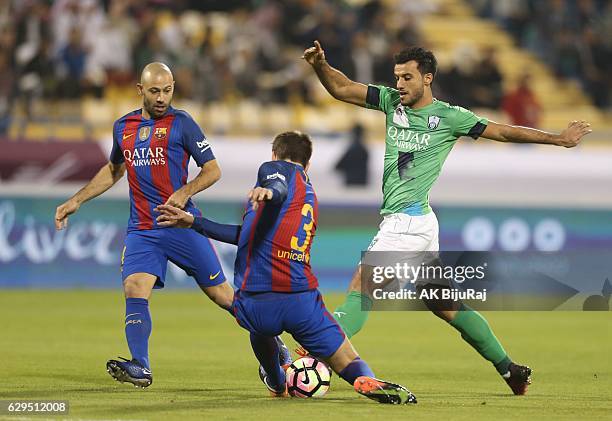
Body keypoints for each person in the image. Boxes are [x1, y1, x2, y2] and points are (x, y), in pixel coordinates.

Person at [302, 41, 592, 395]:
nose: (399, 85)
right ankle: (510, 369)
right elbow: (342, 88)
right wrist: (320, 65)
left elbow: (502, 131)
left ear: (427, 79)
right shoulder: (390, 102)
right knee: (445, 304)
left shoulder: (451, 117)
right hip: (421, 221)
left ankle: (310, 357)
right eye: (397, 77)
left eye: (407, 77)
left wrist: (557, 139)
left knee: (362, 290)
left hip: (407, 224)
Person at [156, 131, 417, 404]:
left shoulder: (274, 170)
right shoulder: (310, 195)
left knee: (259, 330)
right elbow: (247, 233)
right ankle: (363, 377)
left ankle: (277, 381)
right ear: (309, 163)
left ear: (274, 154)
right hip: (300, 299)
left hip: (257, 299)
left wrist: (270, 191)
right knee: (346, 358)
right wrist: (193, 221)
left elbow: (277, 186)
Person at [54, 62, 235, 388]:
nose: (162, 97)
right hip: (143, 229)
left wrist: (183, 192)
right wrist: (76, 200)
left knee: (223, 296)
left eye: (167, 90)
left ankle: (271, 344)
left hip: (180, 224)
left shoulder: (183, 124)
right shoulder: (123, 127)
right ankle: (140, 365)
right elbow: (114, 169)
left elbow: (212, 170)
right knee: (134, 288)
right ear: (140, 90)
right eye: (155, 91)